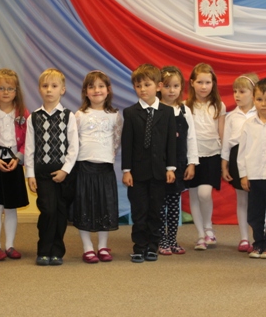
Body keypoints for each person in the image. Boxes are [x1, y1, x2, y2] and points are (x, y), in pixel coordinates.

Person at [122, 64, 177, 263]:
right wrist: (126, 170)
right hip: (137, 173)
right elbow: (127, 143)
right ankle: (139, 247)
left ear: (158, 86)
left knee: (156, 211)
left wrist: (171, 168)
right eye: (138, 86)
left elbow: (171, 143)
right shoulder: (130, 112)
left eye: (147, 84)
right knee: (139, 211)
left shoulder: (167, 112)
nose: (143, 89)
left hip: (159, 172)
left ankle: (153, 246)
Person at [25, 68, 78, 266]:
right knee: (47, 210)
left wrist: (65, 170)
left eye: (54, 86)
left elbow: (74, 147)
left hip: (64, 174)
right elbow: (30, 148)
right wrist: (30, 174)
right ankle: (43, 250)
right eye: (45, 86)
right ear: (39, 89)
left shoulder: (68, 116)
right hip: (43, 174)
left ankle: (57, 251)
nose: (49, 90)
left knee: (61, 211)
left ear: (62, 90)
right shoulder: (34, 117)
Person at [73, 70, 123, 263]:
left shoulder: (114, 115)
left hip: (105, 168)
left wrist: (107, 156)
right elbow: (74, 141)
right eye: (91, 86)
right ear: (85, 91)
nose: (96, 90)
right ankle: (87, 247)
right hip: (84, 167)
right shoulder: (80, 115)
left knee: (105, 207)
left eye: (101, 86)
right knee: (85, 207)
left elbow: (116, 141)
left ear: (108, 90)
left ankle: (102, 246)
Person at [238, 79, 266, 259]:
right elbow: (242, 152)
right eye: (259, 99)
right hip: (255, 175)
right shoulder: (248, 124)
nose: (263, 104)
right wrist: (243, 175)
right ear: (253, 100)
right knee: (254, 214)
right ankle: (258, 243)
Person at [0, 69, 30, 261]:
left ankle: (10, 245)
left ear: (16, 91)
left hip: (14, 162)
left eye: (10, 89)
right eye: (1, 88)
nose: (5, 92)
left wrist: (19, 156)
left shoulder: (22, 113)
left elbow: (28, 139)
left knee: (11, 208)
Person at [157, 66, 197, 256]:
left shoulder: (184, 110)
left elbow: (191, 138)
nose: (171, 90)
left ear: (181, 87)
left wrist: (192, 163)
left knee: (174, 203)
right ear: (159, 87)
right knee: (159, 204)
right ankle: (161, 239)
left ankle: (172, 238)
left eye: (175, 86)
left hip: (180, 163)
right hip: (159, 164)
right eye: (167, 86)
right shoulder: (155, 108)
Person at [186, 63, 226, 250]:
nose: (204, 86)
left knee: (204, 193)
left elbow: (222, 133)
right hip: (192, 156)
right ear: (192, 83)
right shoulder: (186, 106)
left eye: (207, 82)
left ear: (213, 83)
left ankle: (208, 227)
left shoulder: (219, 105)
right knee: (194, 195)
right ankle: (201, 235)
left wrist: (224, 160)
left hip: (212, 154)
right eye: (200, 82)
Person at [221, 73, 257, 253]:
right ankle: (244, 238)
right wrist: (224, 164)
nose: (237, 95)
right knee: (242, 199)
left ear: (253, 93)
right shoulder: (231, 116)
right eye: (235, 91)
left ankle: (259, 236)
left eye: (242, 91)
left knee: (259, 199)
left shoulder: (260, 113)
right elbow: (226, 142)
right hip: (236, 157)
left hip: (256, 156)